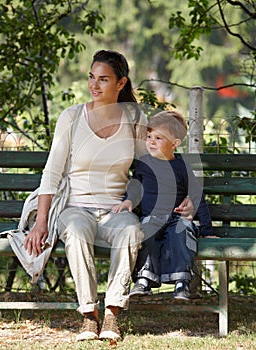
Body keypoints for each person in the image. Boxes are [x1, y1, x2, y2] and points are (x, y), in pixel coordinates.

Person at [22, 50, 193, 341]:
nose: (94, 85)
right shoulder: (72, 117)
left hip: (116, 211)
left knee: (130, 230)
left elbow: (151, 164)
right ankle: (89, 315)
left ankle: (112, 313)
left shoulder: (134, 117)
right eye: (92, 77)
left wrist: (183, 196)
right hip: (76, 208)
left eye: (103, 79)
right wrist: (40, 222)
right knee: (75, 231)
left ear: (121, 82)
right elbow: (51, 171)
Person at [112, 110, 214, 301]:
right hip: (152, 217)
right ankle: (144, 279)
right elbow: (136, 188)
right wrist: (127, 201)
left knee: (182, 232)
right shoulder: (143, 164)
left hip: (177, 218)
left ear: (174, 144)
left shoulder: (182, 166)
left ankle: (181, 282)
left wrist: (207, 230)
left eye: (158, 138)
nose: (150, 141)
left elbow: (196, 196)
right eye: (149, 136)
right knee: (145, 232)